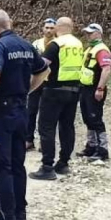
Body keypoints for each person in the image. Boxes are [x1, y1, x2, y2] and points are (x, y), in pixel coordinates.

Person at [0, 10, 49, 220]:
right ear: (10, 23)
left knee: (0, 164)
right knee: (18, 163)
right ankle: (20, 212)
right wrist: (27, 90)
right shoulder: (27, 46)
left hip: (0, 114)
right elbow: (44, 69)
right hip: (21, 111)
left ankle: (5, 215)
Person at [29, 16, 83, 181]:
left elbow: (42, 65)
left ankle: (47, 166)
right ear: (71, 27)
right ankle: (64, 163)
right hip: (74, 90)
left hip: (54, 90)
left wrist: (31, 85)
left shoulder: (56, 44)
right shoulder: (78, 44)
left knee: (46, 127)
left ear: (58, 28)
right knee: (67, 127)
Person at [77, 22, 111, 162]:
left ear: (99, 33)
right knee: (87, 118)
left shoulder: (101, 49)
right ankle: (91, 146)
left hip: (95, 88)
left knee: (95, 119)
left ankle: (102, 150)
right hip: (86, 87)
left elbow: (106, 69)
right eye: (87, 33)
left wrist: (100, 88)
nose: (88, 35)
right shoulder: (91, 48)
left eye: (90, 33)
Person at [27, 18, 56, 150]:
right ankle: (28, 139)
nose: (49, 30)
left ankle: (44, 142)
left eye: (51, 28)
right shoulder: (36, 43)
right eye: (47, 27)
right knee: (31, 110)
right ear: (43, 29)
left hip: (51, 82)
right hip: (37, 80)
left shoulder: (58, 44)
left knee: (47, 114)